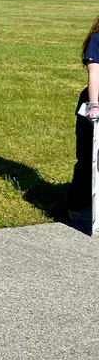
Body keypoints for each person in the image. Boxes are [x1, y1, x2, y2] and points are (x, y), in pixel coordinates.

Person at [68, 14, 99, 224]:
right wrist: (94, 105)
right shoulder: (97, 39)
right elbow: (94, 74)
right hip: (93, 105)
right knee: (88, 159)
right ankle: (77, 207)